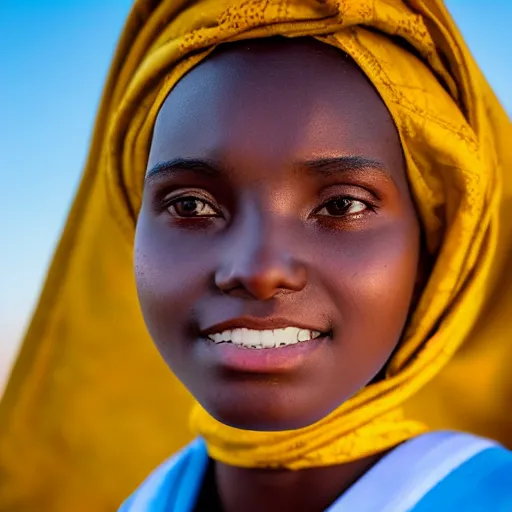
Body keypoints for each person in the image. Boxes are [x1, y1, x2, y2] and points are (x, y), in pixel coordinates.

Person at [1, 1, 511, 511]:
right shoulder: (141, 499)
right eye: (191, 205)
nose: (260, 271)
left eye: (341, 205)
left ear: (436, 253)